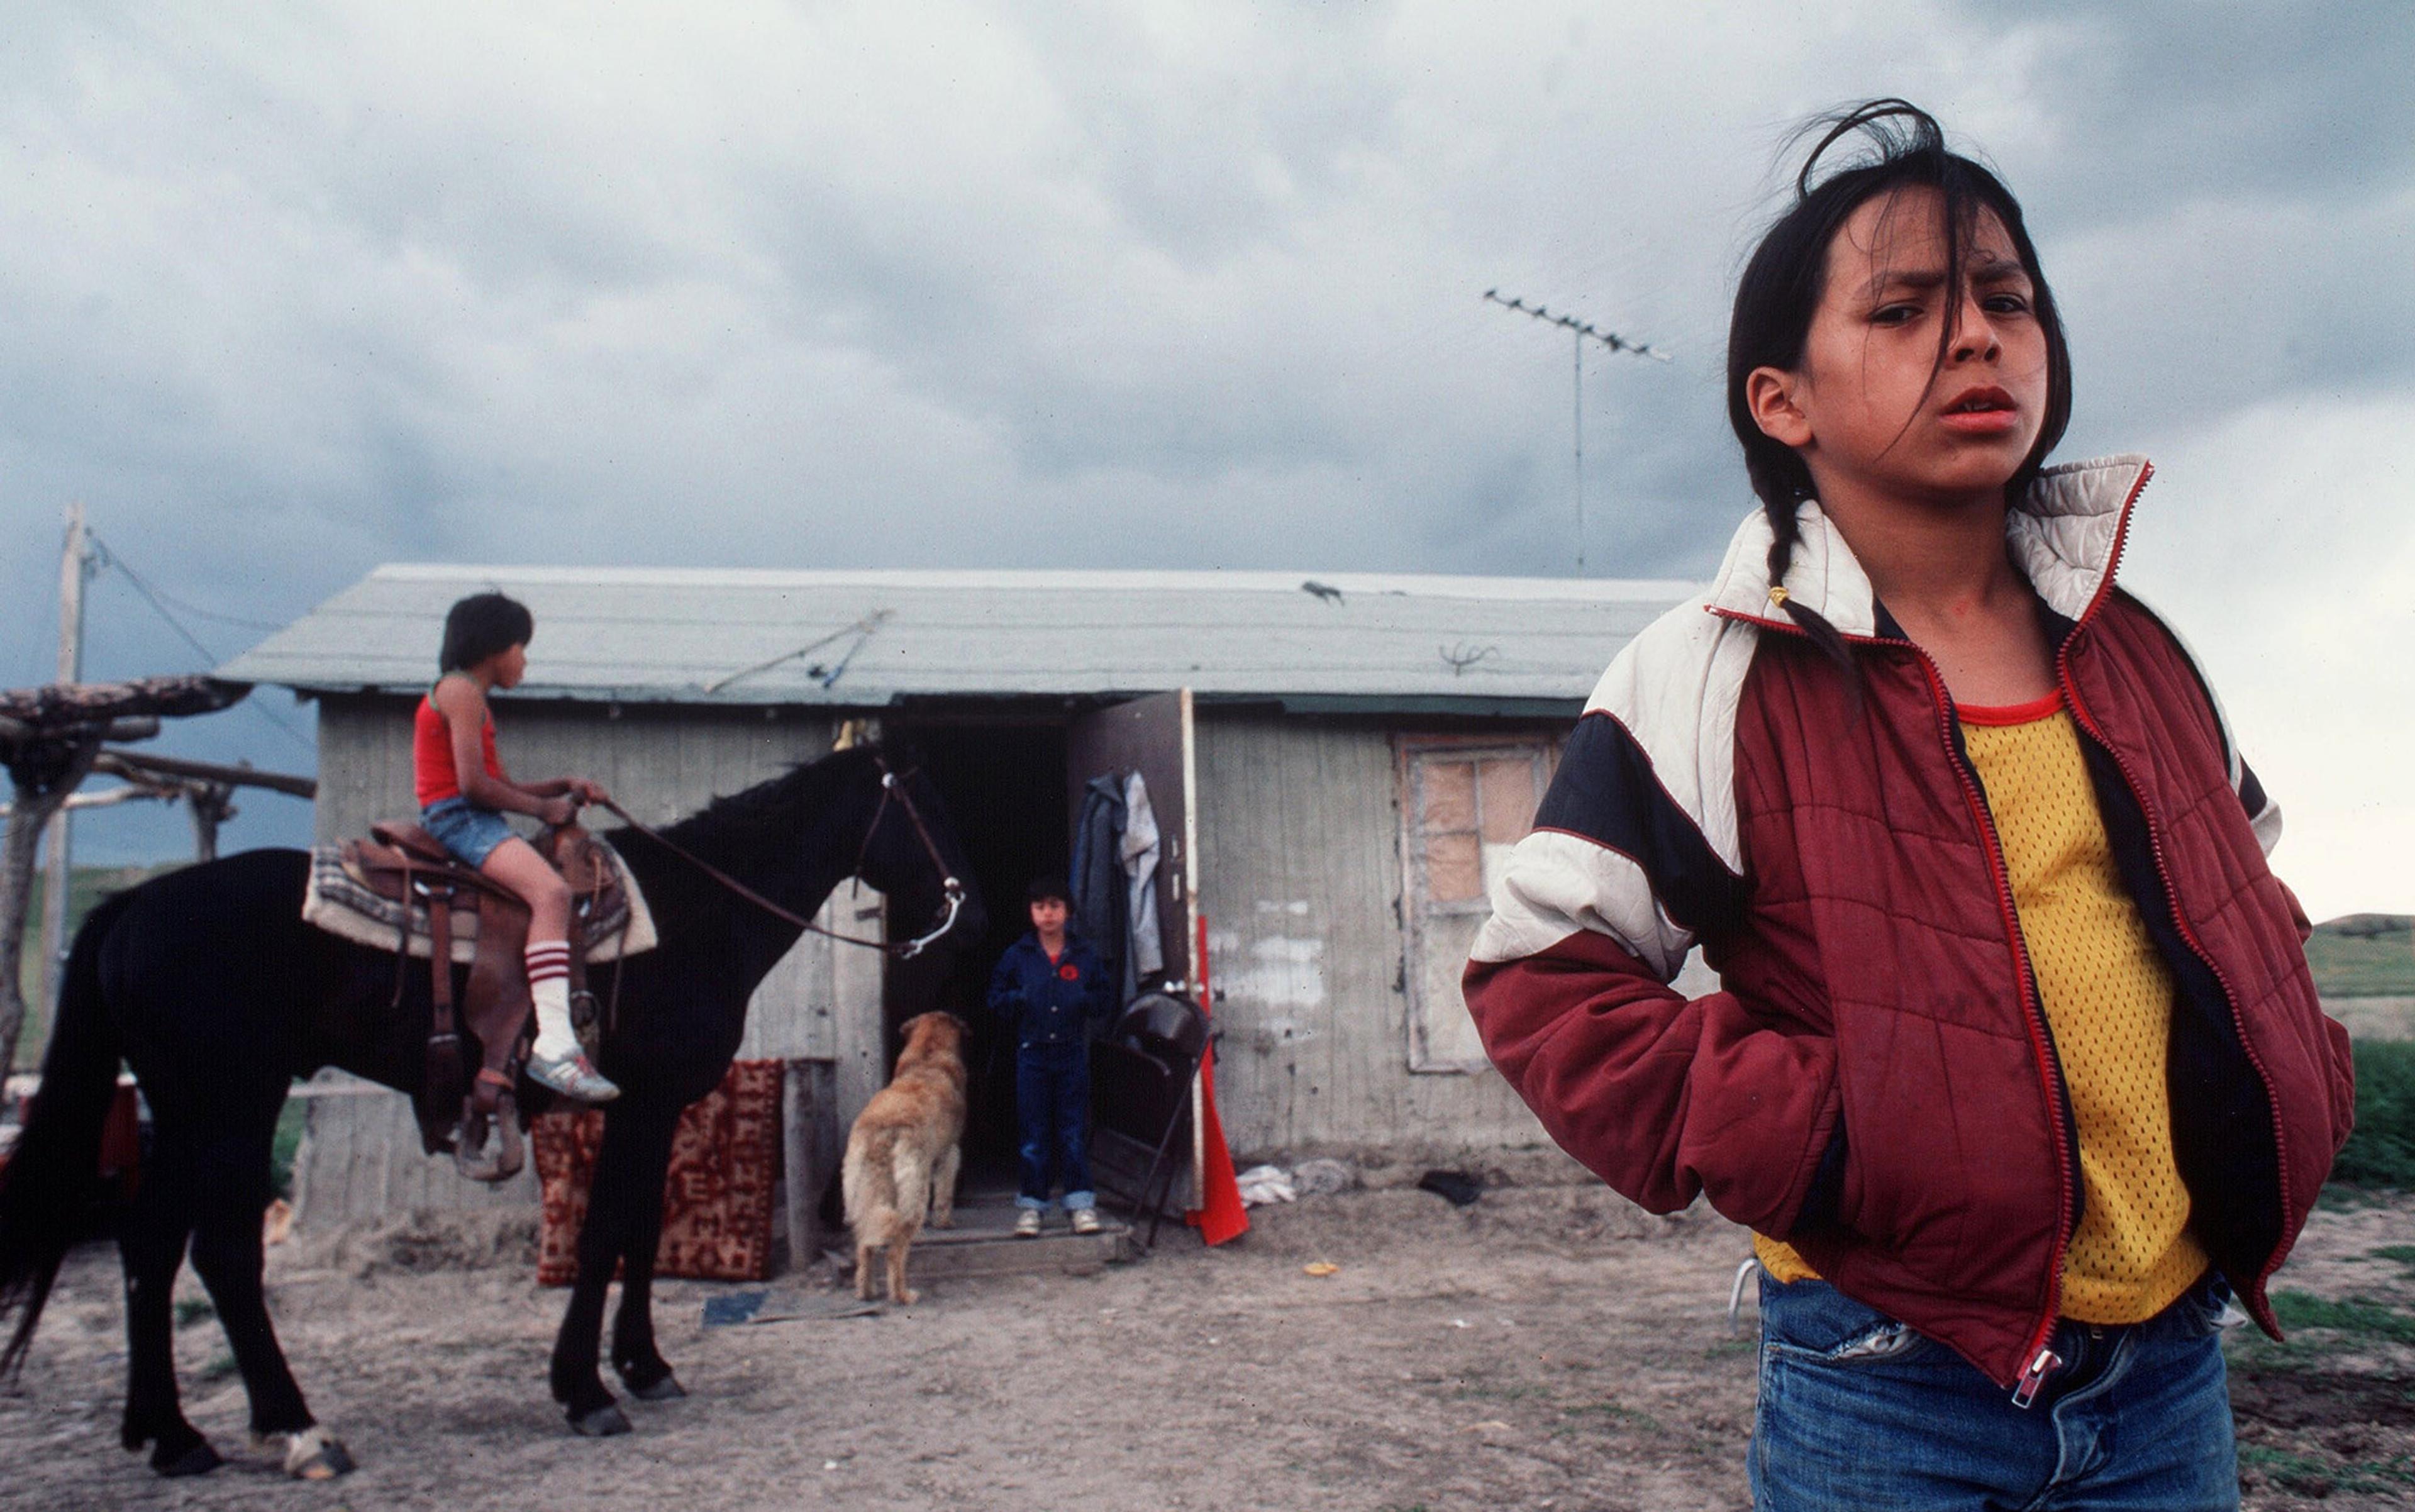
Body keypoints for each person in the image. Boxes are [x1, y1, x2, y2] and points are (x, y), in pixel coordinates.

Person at [1463, 101, 2354, 1510]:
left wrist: (2307, 1055)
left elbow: (2249, 896)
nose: (1976, 336)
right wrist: (1822, 1133)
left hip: (2173, 1369)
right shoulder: (1707, 668)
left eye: (2006, 298)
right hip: (1887, 1381)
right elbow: (1543, 977)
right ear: (1783, 398)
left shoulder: (2140, 645)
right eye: (1902, 308)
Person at [415, 591, 620, 1102]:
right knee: (552, 895)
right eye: (520, 647)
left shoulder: (466, 695)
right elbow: (471, 787)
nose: (524, 659)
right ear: (493, 647)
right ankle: (554, 1045)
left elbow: (499, 784)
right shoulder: (462, 693)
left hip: (472, 813)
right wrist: (544, 812)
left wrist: (560, 787)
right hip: (461, 818)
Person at [987, 876, 1114, 1236]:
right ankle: (1032, 1208)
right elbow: (995, 999)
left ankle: (1080, 1205)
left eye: (1055, 906)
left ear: (1068, 912)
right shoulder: (1017, 956)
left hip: (1072, 1054)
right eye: (1040, 907)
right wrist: (1020, 999)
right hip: (1032, 1055)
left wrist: (1083, 1001)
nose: (1048, 914)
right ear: (1031, 913)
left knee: (1073, 1132)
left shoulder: (1085, 955)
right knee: (1034, 1135)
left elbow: (1104, 999)